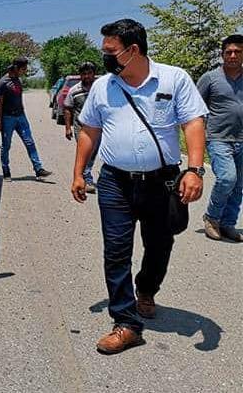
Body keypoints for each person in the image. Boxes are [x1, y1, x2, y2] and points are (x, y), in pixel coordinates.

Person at [71, 19, 207, 355]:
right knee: (116, 251)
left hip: (161, 181)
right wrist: (79, 172)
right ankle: (126, 323)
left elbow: (193, 122)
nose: (105, 58)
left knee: (159, 244)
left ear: (133, 50)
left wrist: (195, 169)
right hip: (114, 181)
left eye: (111, 52)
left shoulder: (174, 79)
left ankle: (146, 289)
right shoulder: (104, 86)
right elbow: (89, 130)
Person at [197, 34, 243, 242]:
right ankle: (212, 218)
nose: (233, 55)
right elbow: (194, 108)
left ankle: (228, 224)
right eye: (229, 52)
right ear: (222, 54)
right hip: (218, 138)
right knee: (227, 178)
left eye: (237, 52)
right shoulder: (210, 78)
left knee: (238, 184)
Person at [0, 57, 52, 180]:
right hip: (7, 118)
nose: (25, 71)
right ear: (16, 68)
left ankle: (38, 169)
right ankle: (6, 172)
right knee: (6, 145)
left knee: (30, 142)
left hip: (21, 117)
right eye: (23, 69)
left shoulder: (17, 80)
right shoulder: (3, 83)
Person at [64, 61, 98, 193]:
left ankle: (85, 175)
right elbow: (67, 108)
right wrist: (67, 128)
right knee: (86, 152)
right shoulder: (74, 91)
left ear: (93, 74)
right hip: (81, 128)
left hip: (99, 128)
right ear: (80, 75)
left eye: (89, 73)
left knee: (94, 152)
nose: (87, 76)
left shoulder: (99, 89)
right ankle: (86, 179)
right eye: (84, 74)